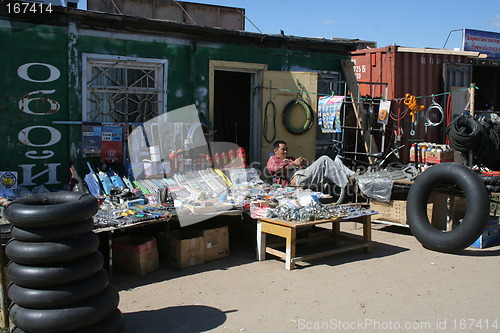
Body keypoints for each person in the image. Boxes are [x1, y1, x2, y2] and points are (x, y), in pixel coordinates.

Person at [266, 140, 354, 189]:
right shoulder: (273, 159)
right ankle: (347, 182)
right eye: (283, 149)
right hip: (296, 180)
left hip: (304, 175)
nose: (285, 151)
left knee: (337, 161)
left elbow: (304, 167)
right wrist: (294, 163)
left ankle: (353, 177)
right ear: (276, 151)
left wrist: (304, 163)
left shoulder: (290, 158)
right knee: (324, 159)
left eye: (287, 149)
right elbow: (276, 169)